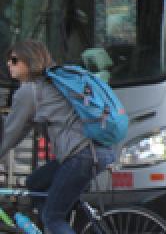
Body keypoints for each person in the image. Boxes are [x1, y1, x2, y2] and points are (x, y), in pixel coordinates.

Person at [3, 40, 115, 234]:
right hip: (98, 151)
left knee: (52, 217)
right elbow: (19, 131)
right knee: (36, 182)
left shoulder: (29, 91)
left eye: (14, 60)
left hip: (81, 156)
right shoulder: (53, 82)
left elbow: (10, 133)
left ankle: (54, 226)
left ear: (28, 61)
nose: (8, 64)